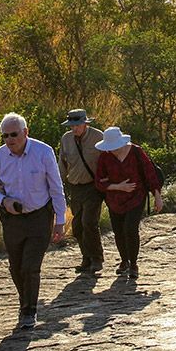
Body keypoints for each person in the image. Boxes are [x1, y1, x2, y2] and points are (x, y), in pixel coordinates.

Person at [0, 112, 67, 330]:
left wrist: (60, 220)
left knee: (31, 266)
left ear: (25, 132)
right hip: (12, 219)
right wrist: (4, 201)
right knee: (16, 267)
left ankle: (29, 310)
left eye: (14, 134)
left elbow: (56, 187)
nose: (9, 140)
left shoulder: (43, 152)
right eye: (5, 136)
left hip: (39, 216)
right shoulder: (1, 155)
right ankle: (25, 301)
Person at [93, 126, 163, 279]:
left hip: (136, 196)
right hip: (114, 200)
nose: (111, 150)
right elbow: (99, 182)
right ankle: (124, 261)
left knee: (130, 229)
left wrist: (157, 195)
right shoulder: (105, 157)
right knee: (118, 232)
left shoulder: (136, 152)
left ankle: (133, 264)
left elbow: (150, 173)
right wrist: (118, 186)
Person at [58, 109, 106, 274]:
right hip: (75, 186)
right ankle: (86, 258)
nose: (74, 129)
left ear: (85, 123)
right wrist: (58, 185)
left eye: (77, 125)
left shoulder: (98, 136)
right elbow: (62, 162)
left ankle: (97, 259)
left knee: (89, 223)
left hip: (93, 186)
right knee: (77, 226)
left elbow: (107, 160)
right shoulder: (66, 139)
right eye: (72, 126)